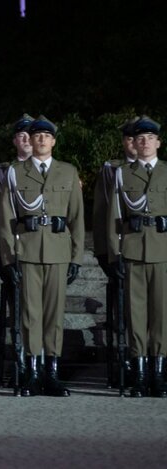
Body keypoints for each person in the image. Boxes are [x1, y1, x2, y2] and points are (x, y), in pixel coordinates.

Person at [0, 115, 84, 397]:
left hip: (58, 251)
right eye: (37, 136)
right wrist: (9, 257)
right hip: (29, 252)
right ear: (31, 140)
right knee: (30, 315)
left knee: (54, 315)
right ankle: (32, 372)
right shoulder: (15, 172)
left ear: (54, 141)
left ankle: (52, 373)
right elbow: (7, 219)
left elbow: (76, 218)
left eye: (47, 136)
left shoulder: (68, 172)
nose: (42, 140)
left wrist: (75, 257)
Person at [106, 115, 167, 398]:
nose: (144, 143)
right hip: (132, 249)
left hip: (162, 250)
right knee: (136, 314)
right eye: (139, 139)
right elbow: (114, 217)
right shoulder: (123, 173)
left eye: (149, 139)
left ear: (158, 142)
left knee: (162, 314)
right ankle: (139, 371)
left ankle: (159, 371)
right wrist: (115, 252)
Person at [0, 114, 34, 385]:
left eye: (30, 134)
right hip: (12, 251)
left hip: (40, 248)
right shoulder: (3, 171)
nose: (26, 138)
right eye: (21, 135)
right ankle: (20, 362)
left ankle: (37, 362)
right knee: (17, 310)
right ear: (14, 140)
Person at [92, 116, 138, 387]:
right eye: (129, 138)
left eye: (138, 138)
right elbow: (101, 215)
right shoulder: (112, 170)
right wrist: (104, 255)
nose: (134, 143)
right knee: (122, 316)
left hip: (151, 253)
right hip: (120, 252)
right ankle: (127, 366)